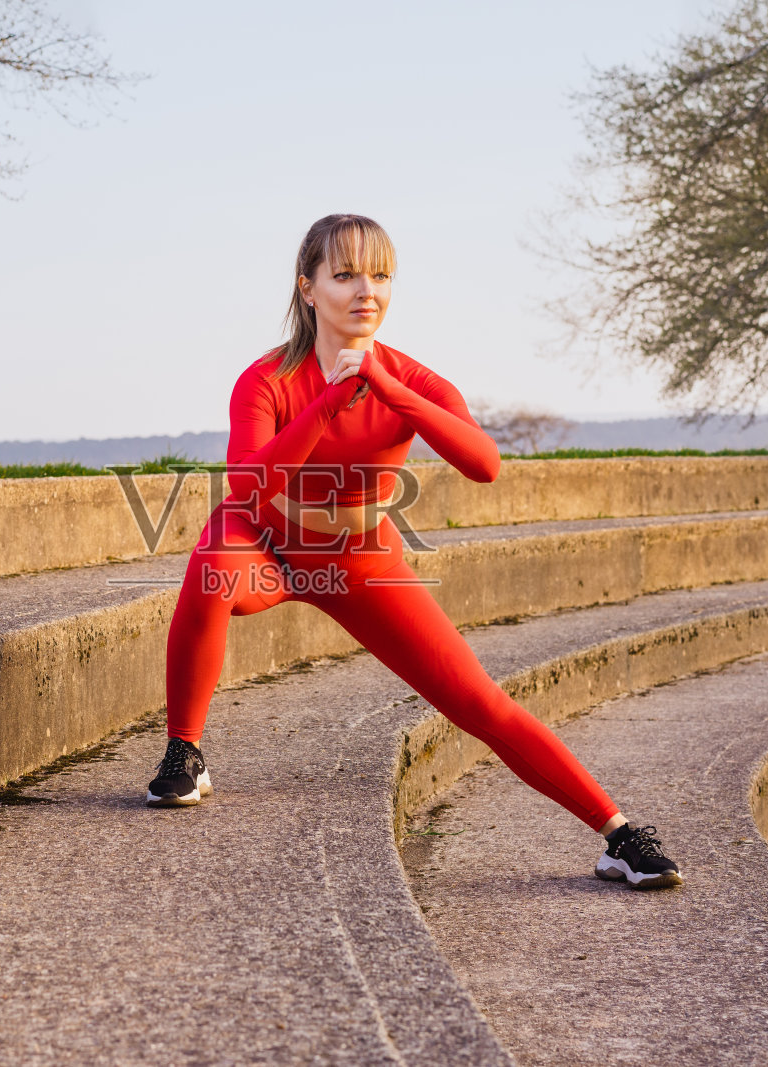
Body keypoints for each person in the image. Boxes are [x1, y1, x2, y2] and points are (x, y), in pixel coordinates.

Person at [145, 214, 682, 890]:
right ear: (308, 288)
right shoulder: (266, 380)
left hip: (361, 560)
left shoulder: (411, 379)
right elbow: (251, 483)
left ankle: (619, 835)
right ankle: (182, 751)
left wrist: (387, 391)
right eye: (344, 274)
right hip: (268, 542)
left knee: (478, 701)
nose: (365, 289)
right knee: (212, 560)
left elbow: (483, 463)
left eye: (380, 273)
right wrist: (329, 403)